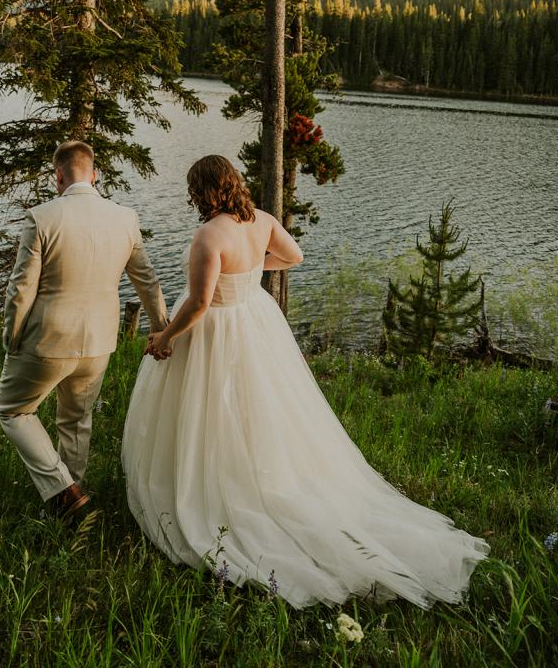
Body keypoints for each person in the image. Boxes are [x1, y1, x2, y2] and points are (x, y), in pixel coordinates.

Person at [122, 154, 489, 609]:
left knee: (210, 410)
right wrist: (251, 270)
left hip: (215, 330)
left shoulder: (207, 236)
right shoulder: (261, 220)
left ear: (202, 190)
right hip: (254, 320)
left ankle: (212, 493)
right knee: (259, 410)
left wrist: (164, 337)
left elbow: (198, 304)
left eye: (194, 190)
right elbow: (293, 256)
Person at [0, 140, 167, 523]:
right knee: (76, 420)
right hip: (100, 342)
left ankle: (63, 492)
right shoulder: (125, 218)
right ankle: (70, 506)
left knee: (13, 410)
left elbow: (21, 288)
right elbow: (147, 280)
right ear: (95, 174)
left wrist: (11, 336)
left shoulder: (41, 217)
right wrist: (160, 328)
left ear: (58, 176)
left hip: (46, 340)